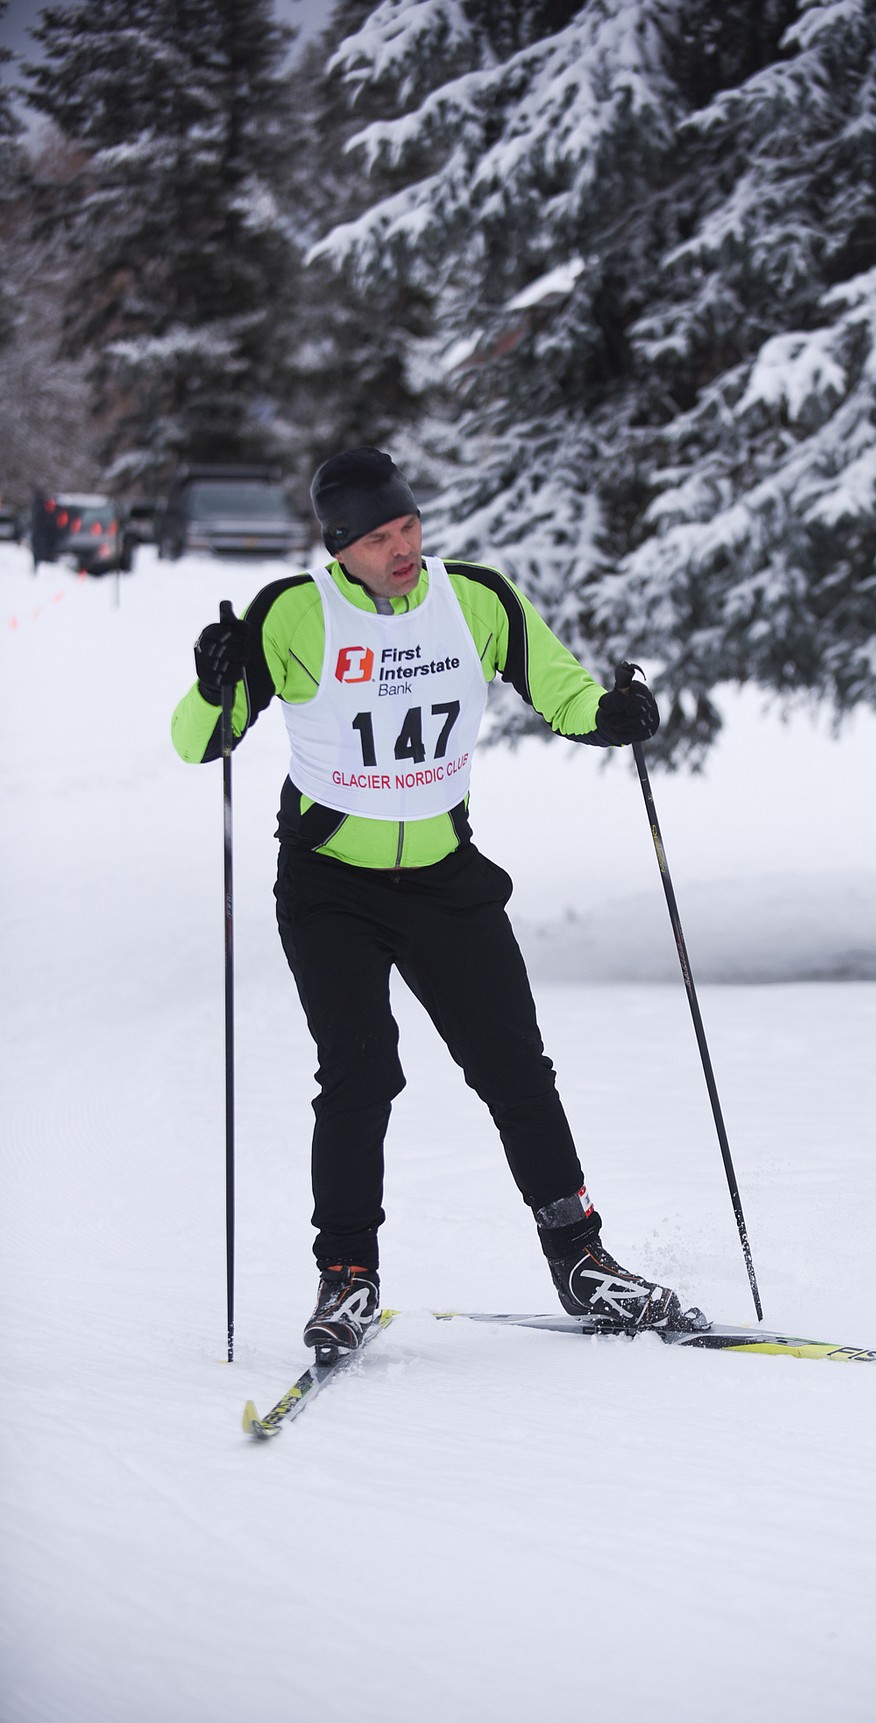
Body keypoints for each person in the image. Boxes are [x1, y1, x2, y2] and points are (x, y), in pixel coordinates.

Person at [172, 446, 708, 1358]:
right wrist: (212, 681)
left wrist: (607, 715)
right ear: (339, 545)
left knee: (514, 1068)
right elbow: (200, 742)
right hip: (331, 883)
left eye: (410, 525)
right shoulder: (295, 614)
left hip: (444, 875)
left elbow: (559, 684)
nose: (402, 547)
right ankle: (347, 1278)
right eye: (378, 536)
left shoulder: (476, 600)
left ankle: (582, 1261)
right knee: (361, 1070)